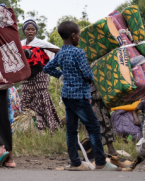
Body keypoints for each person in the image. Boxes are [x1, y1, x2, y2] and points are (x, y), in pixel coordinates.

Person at [43, 21, 118, 171]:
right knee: (94, 127)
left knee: (72, 130)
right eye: (79, 35)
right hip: (80, 96)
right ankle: (101, 162)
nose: (79, 37)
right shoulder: (79, 52)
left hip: (67, 96)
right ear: (73, 36)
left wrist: (61, 75)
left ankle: (75, 163)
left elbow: (47, 67)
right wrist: (91, 76)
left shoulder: (61, 53)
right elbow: (87, 74)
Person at [20, 19, 61, 131]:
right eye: (28, 29)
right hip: (26, 78)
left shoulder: (42, 44)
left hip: (40, 77)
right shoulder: (20, 44)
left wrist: (51, 65)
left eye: (33, 29)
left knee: (42, 101)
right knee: (26, 102)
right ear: (24, 31)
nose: (30, 31)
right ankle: (29, 130)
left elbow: (59, 51)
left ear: (36, 31)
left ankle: (50, 128)